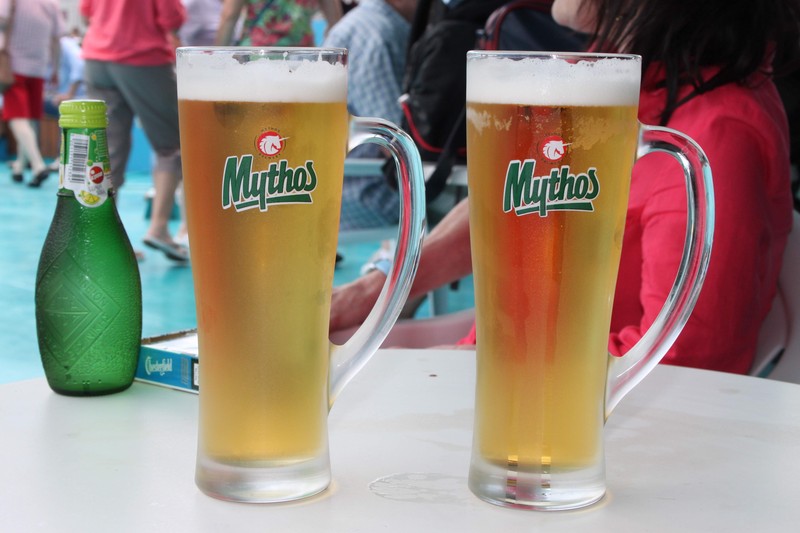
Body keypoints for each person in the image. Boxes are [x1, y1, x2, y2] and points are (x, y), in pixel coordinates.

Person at [331, 0, 800, 375]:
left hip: (594, 429)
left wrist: (460, 371)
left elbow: (687, 362)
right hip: (512, 373)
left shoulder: (719, 132)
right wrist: (372, 293)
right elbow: (513, 207)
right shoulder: (612, 78)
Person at [79, 0, 189, 262]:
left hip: (97, 58)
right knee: (172, 146)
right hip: (142, 59)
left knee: (107, 151)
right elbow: (171, 17)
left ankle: (103, 241)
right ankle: (159, 228)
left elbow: (85, 11)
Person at [323, 0, 418, 230]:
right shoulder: (374, 34)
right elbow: (393, 140)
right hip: (365, 194)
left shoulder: (374, 25)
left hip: (352, 189)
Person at [0, 0, 63, 187]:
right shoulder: (52, 4)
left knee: (17, 118)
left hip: (13, 67)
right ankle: (19, 167)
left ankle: (37, 165)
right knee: (29, 118)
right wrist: (55, 68)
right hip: (39, 68)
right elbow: (57, 40)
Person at [215, 0, 343, 46]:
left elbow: (229, 16)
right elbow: (336, 23)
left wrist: (219, 61)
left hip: (255, 56)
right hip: (301, 58)